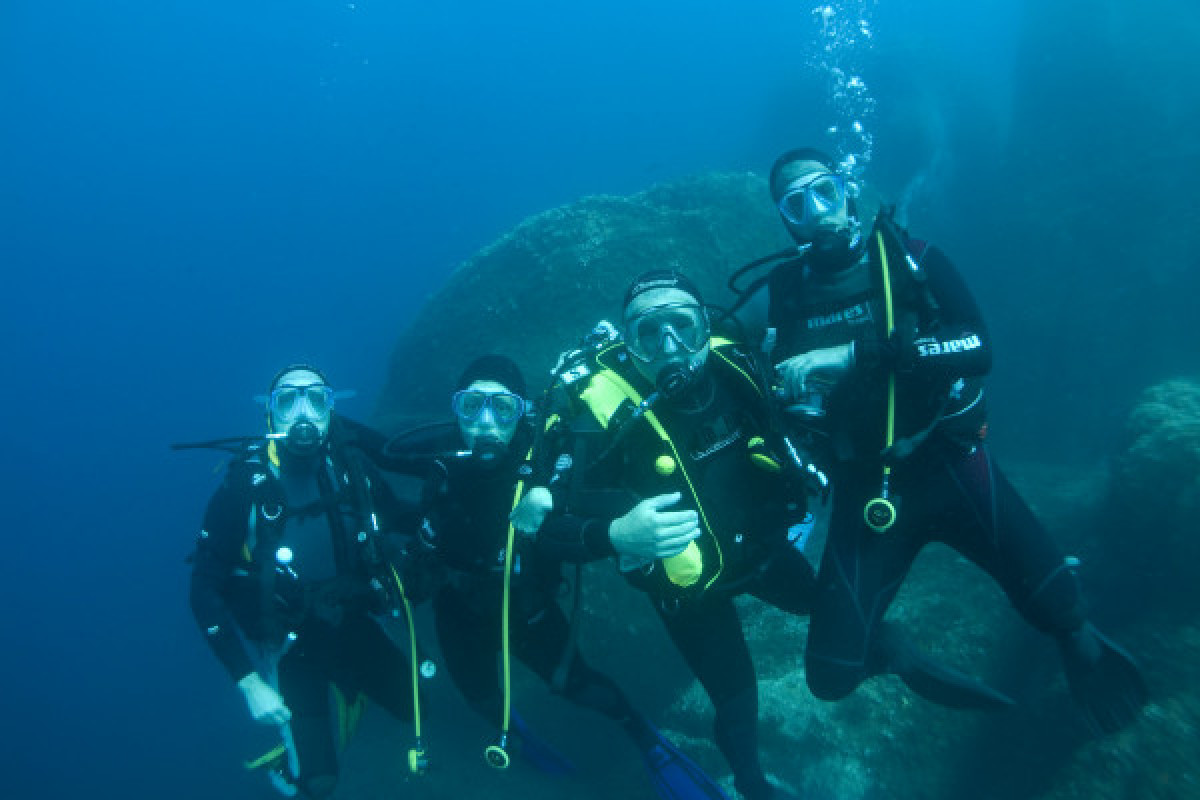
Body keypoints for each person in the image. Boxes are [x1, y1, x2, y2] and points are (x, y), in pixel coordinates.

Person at [751, 147, 1147, 734]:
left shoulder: (912, 260)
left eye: (825, 191)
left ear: (848, 192)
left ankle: (1078, 643)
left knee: (1066, 614)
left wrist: (857, 355)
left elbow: (978, 347)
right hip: (868, 490)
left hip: (952, 464)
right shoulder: (783, 292)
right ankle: (895, 650)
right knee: (830, 675)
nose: (816, 210)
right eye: (796, 203)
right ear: (786, 219)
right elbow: (757, 381)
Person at [373, 354, 729, 799]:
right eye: (472, 407)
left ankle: (645, 740)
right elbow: (379, 450)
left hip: (527, 607)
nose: (485, 423)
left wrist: (602, 522)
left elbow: (591, 504)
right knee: (479, 696)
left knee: (575, 685)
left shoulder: (541, 460)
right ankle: (518, 739)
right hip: (456, 607)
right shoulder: (442, 455)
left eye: (502, 409)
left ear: (522, 412)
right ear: (456, 410)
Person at [535, 271, 822, 800]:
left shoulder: (737, 367)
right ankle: (753, 786)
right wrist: (614, 533)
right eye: (649, 332)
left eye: (683, 327)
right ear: (628, 341)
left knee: (832, 613)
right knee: (738, 701)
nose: (670, 347)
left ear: (704, 327)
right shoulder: (596, 413)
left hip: (761, 552)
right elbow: (544, 527)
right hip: (688, 594)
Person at [188, 365, 425, 798]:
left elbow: (400, 515)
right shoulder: (243, 489)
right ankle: (288, 767)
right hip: (290, 646)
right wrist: (249, 684)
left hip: (353, 624)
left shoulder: (350, 469)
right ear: (270, 415)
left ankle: (350, 691)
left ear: (331, 410)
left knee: (425, 712)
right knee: (318, 784)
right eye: (286, 400)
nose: (302, 412)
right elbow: (203, 589)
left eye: (315, 399)